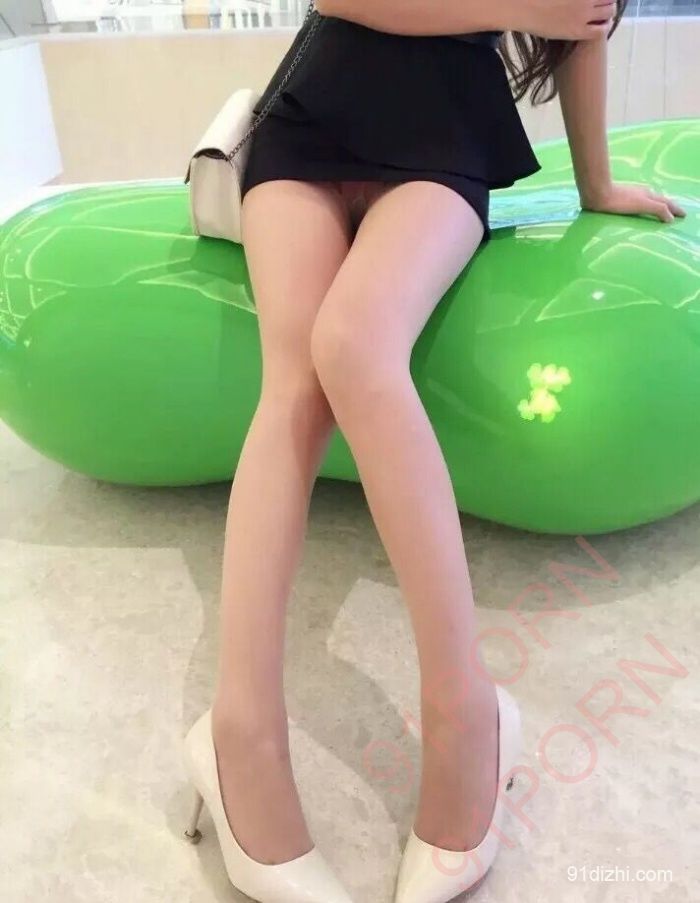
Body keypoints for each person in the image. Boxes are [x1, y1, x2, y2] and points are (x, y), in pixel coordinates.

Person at [182, 2, 687, 902]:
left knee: (354, 346)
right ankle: (239, 735)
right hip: (308, 120)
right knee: (294, 381)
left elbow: (582, 21)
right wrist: (520, 8)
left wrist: (597, 182)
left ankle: (466, 716)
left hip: (442, 138)